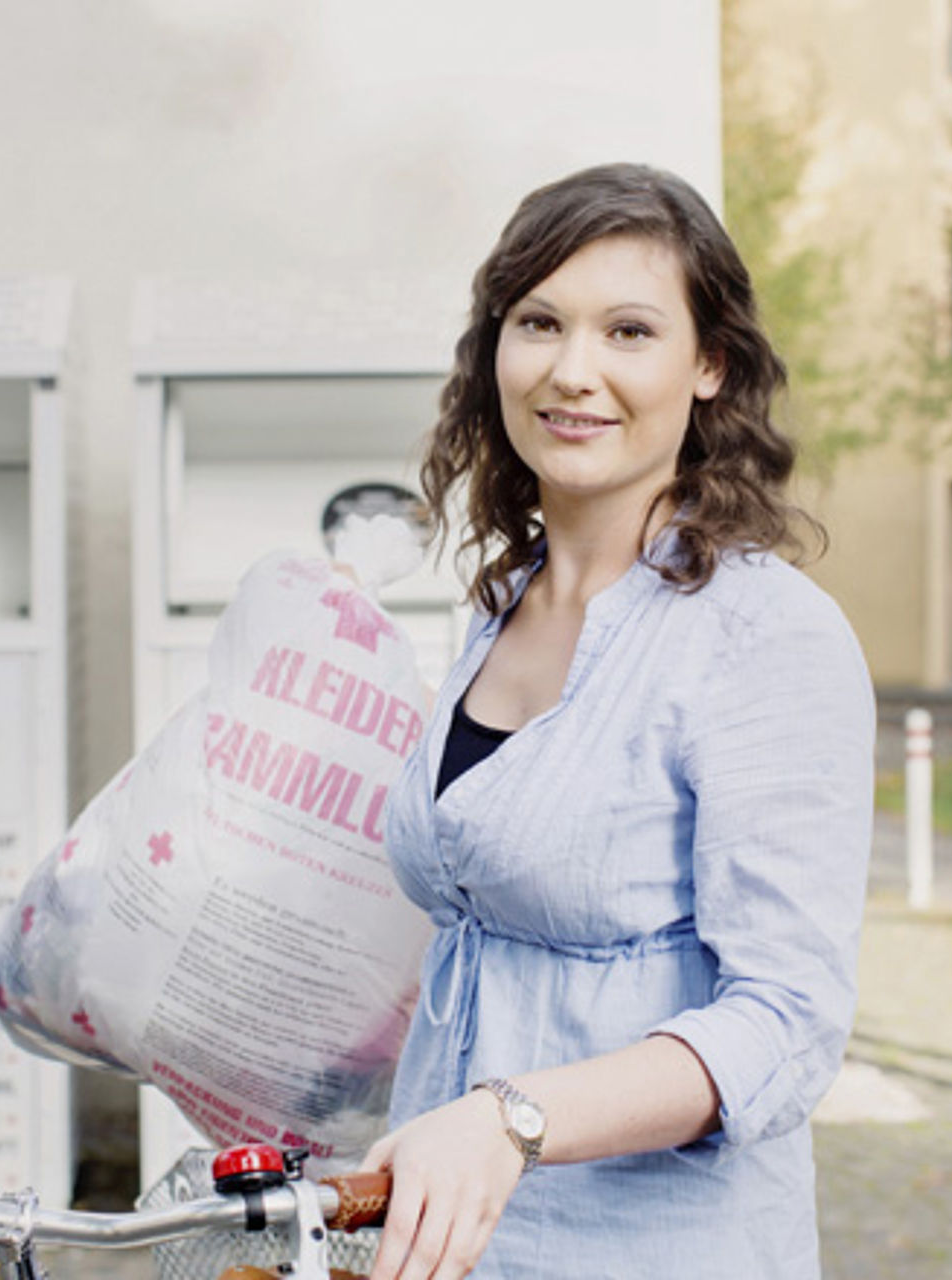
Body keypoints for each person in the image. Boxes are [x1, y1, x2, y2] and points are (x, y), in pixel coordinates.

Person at [357, 163, 875, 1280]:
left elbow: (785, 1023)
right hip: (445, 1247)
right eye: (538, 320)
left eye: (628, 330)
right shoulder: (501, 604)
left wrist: (511, 1118)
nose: (572, 370)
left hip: (655, 1249)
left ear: (708, 364)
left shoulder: (764, 636)